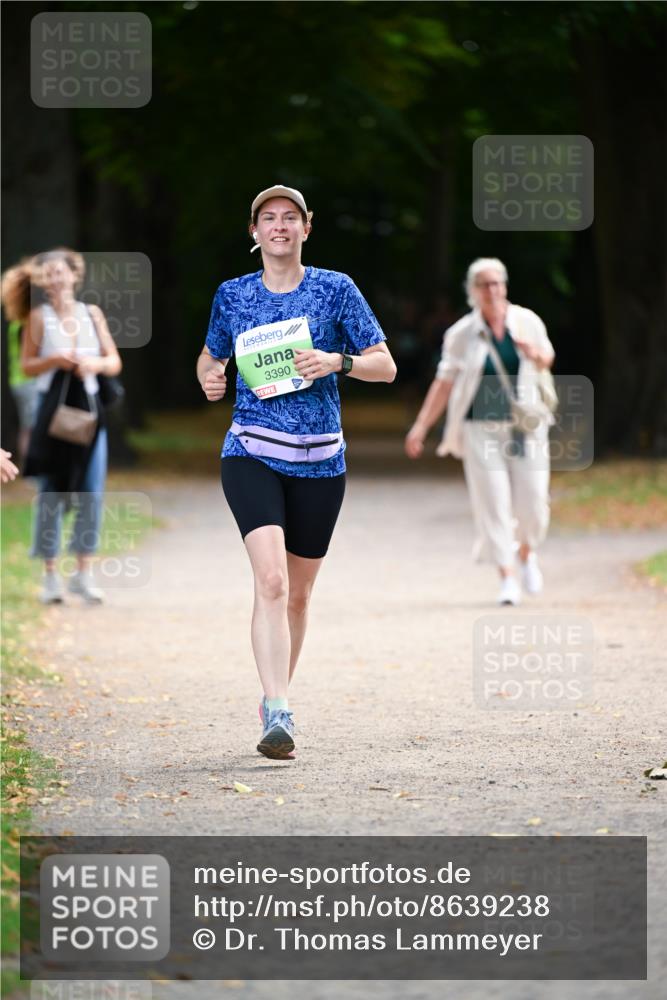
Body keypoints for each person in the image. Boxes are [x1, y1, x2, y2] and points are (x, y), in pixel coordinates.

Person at [197, 184, 396, 760]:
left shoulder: (337, 289)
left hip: (320, 459)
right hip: (251, 450)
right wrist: (209, 376)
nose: (278, 226)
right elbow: (212, 355)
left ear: (306, 229)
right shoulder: (232, 295)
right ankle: (278, 711)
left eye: (289, 218)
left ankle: (273, 697)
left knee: (299, 596)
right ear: (254, 232)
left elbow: (385, 366)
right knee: (272, 582)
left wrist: (339, 361)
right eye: (268, 218)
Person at [405, 258, 555, 605]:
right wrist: (422, 425)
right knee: (493, 504)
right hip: (481, 429)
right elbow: (444, 383)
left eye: (497, 283)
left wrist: (535, 354)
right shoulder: (461, 333)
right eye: (485, 284)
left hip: (525, 426)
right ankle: (506, 577)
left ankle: (526, 552)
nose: (492, 290)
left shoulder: (526, 321)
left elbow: (548, 357)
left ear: (505, 286)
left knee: (534, 502)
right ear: (473, 291)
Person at [1, 248, 122, 604]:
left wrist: (93, 365)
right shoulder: (37, 318)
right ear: (41, 281)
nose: (54, 279)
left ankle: (83, 574)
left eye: (60, 272)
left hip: (87, 415)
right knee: (50, 493)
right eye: (48, 274)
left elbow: (114, 361)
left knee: (90, 493)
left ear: (73, 275)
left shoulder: (92, 314)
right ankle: (50, 577)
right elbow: (26, 366)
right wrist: (55, 359)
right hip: (51, 415)